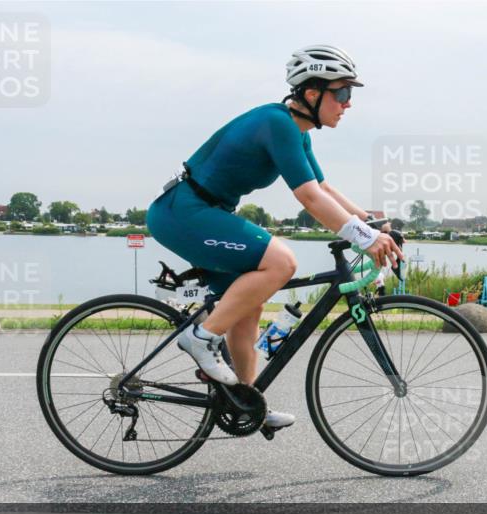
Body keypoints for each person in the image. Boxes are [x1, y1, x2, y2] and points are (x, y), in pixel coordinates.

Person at [147, 45, 403, 429]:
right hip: (185, 212)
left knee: (248, 308)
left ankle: (245, 403)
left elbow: (323, 186)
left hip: (204, 212)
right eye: (343, 93)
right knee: (282, 262)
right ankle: (200, 338)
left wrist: (372, 223)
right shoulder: (277, 123)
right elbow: (309, 198)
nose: (348, 103)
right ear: (312, 93)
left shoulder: (298, 133)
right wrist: (363, 238)